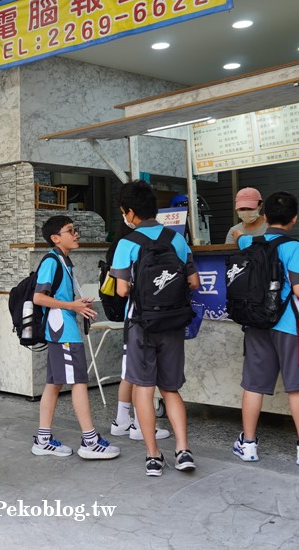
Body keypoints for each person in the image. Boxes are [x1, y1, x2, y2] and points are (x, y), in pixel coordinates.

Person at [232, 191, 299, 466]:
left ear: (264, 217)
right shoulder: (294, 247)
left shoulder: (249, 241)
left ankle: (248, 445)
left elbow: (239, 238)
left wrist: (242, 236)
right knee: (296, 386)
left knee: (253, 384)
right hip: (287, 324)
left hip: (256, 321)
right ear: (294, 218)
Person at [110, 180, 200, 476]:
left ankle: (153, 456)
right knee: (171, 389)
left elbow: (122, 290)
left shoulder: (126, 244)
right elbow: (194, 282)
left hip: (141, 324)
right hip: (173, 322)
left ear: (130, 212)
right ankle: (183, 451)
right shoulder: (176, 239)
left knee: (144, 389)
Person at [31, 215, 119, 461]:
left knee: (54, 383)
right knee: (78, 381)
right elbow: (39, 298)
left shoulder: (63, 260)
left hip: (61, 329)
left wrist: (77, 304)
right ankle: (90, 440)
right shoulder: (52, 261)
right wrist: (73, 306)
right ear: (55, 238)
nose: (76, 234)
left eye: (75, 229)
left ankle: (43, 439)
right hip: (63, 331)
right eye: (70, 230)